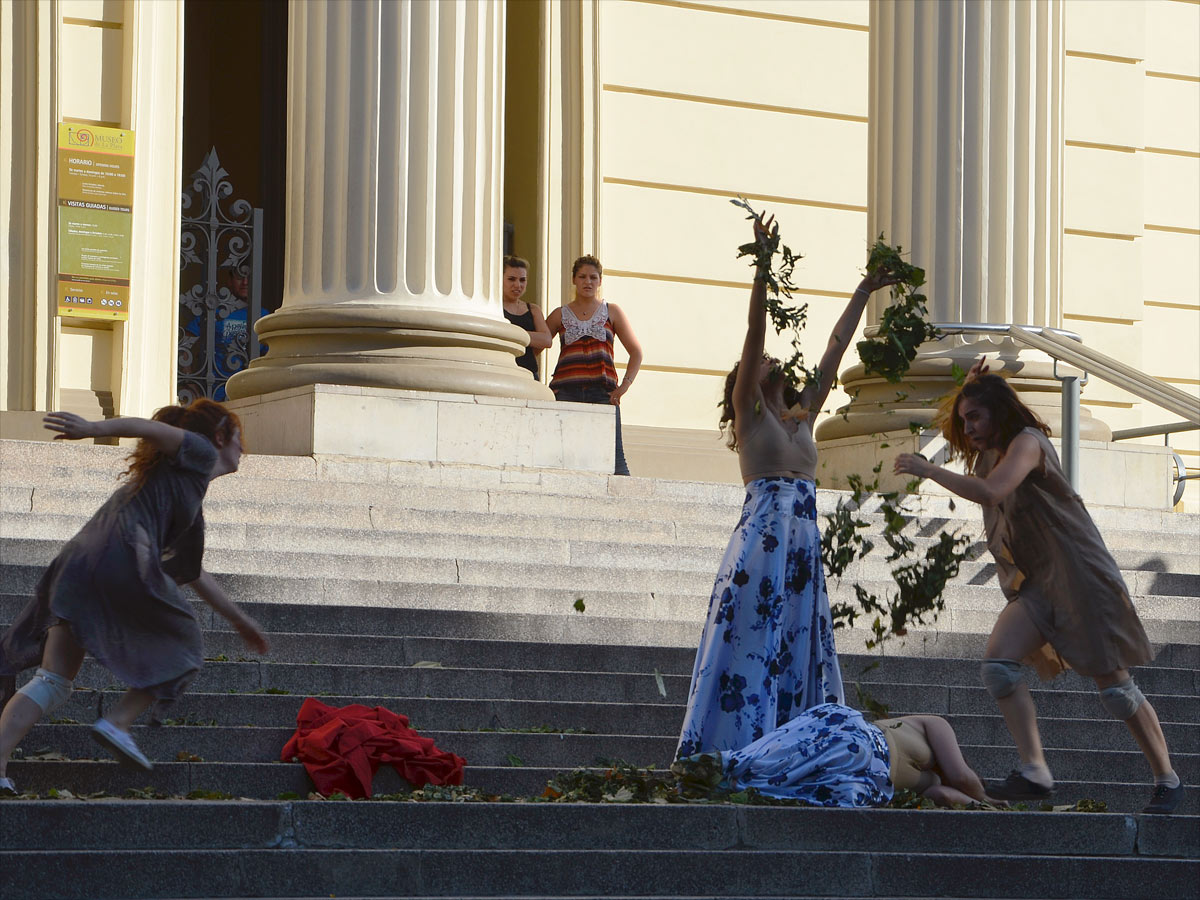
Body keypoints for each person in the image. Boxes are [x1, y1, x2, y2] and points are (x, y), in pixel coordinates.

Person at [893, 363, 1183, 814]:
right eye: (965, 418)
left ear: (999, 414)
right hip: (1035, 584)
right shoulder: (986, 447)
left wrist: (928, 470)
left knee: (1115, 687)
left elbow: (992, 493)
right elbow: (959, 435)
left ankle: (1168, 779)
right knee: (998, 667)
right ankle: (1035, 771)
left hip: (1079, 576)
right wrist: (966, 387)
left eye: (975, 418)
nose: (966, 428)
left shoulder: (1027, 444)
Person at [676, 216, 901, 759]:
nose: (773, 357)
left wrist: (865, 288)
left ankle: (791, 747)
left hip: (802, 547)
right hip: (763, 543)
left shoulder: (802, 416)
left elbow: (835, 346)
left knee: (798, 644)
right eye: (760, 363)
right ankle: (737, 744)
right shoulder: (751, 417)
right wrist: (762, 264)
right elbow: (755, 333)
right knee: (754, 642)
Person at [0, 400, 270, 795]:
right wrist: (93, 428)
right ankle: (118, 722)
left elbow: (192, 572)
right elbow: (151, 429)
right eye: (239, 436)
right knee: (185, 648)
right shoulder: (198, 452)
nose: (243, 447)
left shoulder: (181, 498)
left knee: (53, 681)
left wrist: (239, 620)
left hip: (78, 567)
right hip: (118, 559)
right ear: (219, 436)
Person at [674, 703, 989, 808]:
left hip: (858, 768)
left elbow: (947, 793)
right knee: (785, 770)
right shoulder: (938, 726)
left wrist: (980, 805)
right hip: (862, 747)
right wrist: (991, 803)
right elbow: (962, 777)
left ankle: (723, 769)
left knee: (783, 765)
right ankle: (726, 773)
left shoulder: (930, 784)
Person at [547, 255, 643, 476]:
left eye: (593, 277)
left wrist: (624, 387)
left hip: (603, 393)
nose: (587, 282)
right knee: (565, 455)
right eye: (582, 277)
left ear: (600, 281)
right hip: (566, 393)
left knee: (615, 459)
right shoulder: (559, 314)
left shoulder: (611, 311)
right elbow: (538, 344)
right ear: (574, 280)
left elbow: (636, 352)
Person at [501, 255, 552, 380]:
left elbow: (546, 340)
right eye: (511, 279)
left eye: (522, 280)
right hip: (503, 371)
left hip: (529, 374)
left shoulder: (533, 309)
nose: (517, 285)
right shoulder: (494, 308)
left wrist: (513, 334)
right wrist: (530, 338)